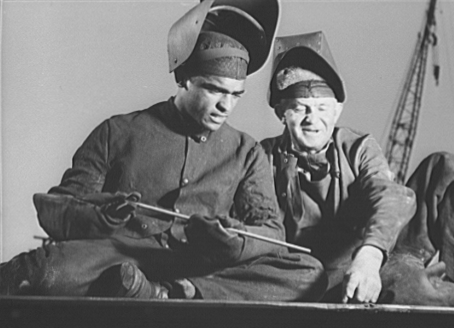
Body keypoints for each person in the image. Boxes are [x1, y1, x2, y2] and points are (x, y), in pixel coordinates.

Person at [0, 1, 326, 301]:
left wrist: (234, 236)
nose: (225, 105)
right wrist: (103, 215)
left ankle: (171, 292)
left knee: (307, 271)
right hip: (117, 256)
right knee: (38, 270)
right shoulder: (118, 131)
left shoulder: (246, 151)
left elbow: (271, 232)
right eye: (214, 90)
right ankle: (139, 286)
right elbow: (59, 212)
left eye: (235, 95)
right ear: (183, 78)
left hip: (202, 267)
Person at [261, 31, 454, 309]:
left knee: (447, 169)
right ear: (281, 112)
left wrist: (370, 255)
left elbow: (389, 196)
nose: (312, 120)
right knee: (418, 293)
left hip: (375, 252)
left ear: (338, 111)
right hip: (322, 278)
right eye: (299, 108)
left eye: (322, 108)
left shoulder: (357, 147)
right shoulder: (261, 158)